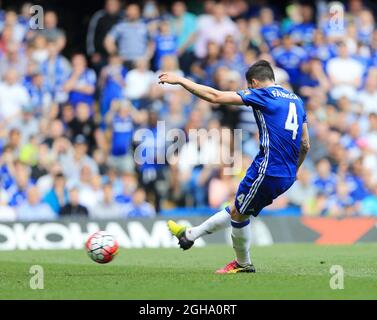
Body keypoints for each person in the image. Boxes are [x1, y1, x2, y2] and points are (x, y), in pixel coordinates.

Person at [159, 60, 309, 273]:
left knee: (239, 214)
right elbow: (305, 144)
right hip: (285, 173)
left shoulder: (263, 94)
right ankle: (190, 235)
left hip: (268, 169)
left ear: (254, 82)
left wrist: (181, 81)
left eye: (249, 87)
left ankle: (243, 263)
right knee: (237, 207)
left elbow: (215, 96)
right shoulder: (297, 101)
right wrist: (295, 170)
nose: (248, 90)